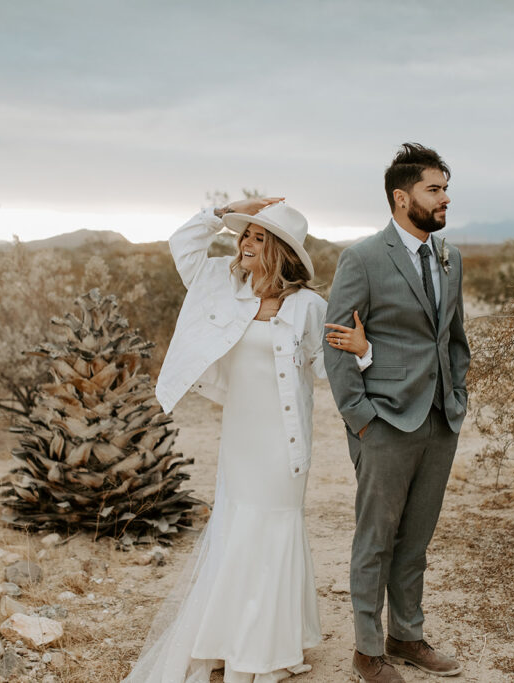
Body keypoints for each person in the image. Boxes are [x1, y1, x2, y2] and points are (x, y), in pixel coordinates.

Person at [126, 197, 369, 682]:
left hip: (284, 444)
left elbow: (329, 371)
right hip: (240, 436)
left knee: (274, 529)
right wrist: (225, 210)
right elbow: (184, 246)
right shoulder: (222, 287)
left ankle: (267, 648)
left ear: (280, 251)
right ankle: (227, 639)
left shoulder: (308, 307)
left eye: (259, 238)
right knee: (237, 528)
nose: (246, 244)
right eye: (246, 236)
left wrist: (363, 354)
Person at [322, 143, 471, 682]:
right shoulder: (361, 258)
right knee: (376, 541)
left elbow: (455, 339)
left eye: (445, 188)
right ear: (401, 196)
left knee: (416, 541)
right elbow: (336, 346)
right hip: (384, 423)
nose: (445, 198)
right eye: (435, 189)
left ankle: (406, 635)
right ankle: (367, 650)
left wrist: (457, 398)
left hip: (439, 421)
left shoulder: (451, 258)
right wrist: (360, 418)